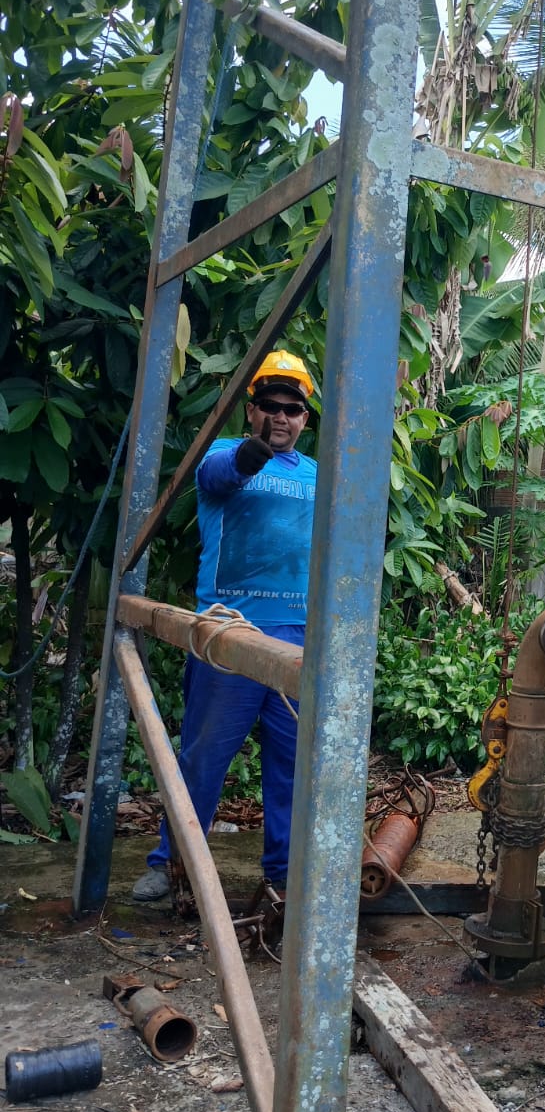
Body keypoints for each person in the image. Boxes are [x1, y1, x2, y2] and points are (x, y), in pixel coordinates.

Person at [132, 351, 318, 903]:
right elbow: (219, 476)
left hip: (299, 637)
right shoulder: (221, 455)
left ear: (306, 418)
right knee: (204, 759)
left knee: (292, 766)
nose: (281, 417)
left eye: (292, 409)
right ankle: (170, 864)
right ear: (251, 409)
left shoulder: (316, 475)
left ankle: (284, 876)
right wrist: (251, 452)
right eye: (269, 405)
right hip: (227, 636)